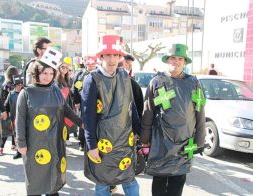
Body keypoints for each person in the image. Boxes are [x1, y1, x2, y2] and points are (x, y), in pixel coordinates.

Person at [140, 43, 206, 196]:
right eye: (173, 58)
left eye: (180, 59)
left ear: (184, 62)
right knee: (159, 184)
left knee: (177, 185)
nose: (176, 62)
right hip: (160, 142)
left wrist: (199, 141)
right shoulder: (156, 82)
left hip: (184, 143)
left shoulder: (194, 83)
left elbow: (200, 113)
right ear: (167, 60)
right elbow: (148, 111)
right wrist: (145, 139)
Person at [16, 47, 82, 196]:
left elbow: (67, 111)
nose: (48, 76)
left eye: (51, 73)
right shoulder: (26, 93)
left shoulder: (55, 90)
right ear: (37, 73)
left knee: (53, 176)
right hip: (34, 143)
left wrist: (82, 123)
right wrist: (21, 143)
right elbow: (19, 119)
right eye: (45, 73)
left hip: (55, 142)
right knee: (36, 178)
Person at [81, 35, 141, 196]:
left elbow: (131, 106)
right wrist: (91, 145)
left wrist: (139, 131)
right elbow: (88, 117)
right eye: (108, 55)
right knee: (102, 183)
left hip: (124, 140)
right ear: (101, 57)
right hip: (103, 142)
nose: (112, 59)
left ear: (120, 57)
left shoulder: (124, 76)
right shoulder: (92, 79)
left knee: (130, 180)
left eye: (115, 55)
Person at [72, 55, 97, 151]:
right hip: (83, 102)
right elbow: (74, 88)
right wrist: (77, 101)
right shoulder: (80, 74)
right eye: (89, 65)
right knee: (84, 122)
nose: (91, 67)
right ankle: (82, 142)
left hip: (96, 103)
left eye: (93, 65)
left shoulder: (99, 73)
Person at [0, 66, 19, 156]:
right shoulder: (14, 84)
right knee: (13, 128)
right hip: (12, 109)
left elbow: (1, 98)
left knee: (5, 130)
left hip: (3, 109)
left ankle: (2, 148)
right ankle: (9, 146)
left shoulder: (4, 84)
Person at [56, 58, 76, 145]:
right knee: (60, 121)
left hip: (68, 102)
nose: (64, 69)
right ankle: (60, 139)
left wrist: (73, 105)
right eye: (62, 67)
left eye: (66, 67)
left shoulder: (70, 80)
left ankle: (67, 137)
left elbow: (71, 93)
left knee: (68, 121)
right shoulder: (56, 80)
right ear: (59, 68)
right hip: (58, 103)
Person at [4, 74, 23, 159]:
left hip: (25, 118)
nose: (20, 86)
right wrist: (4, 112)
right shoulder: (11, 94)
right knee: (17, 135)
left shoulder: (25, 93)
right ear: (15, 85)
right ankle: (19, 152)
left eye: (21, 84)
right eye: (18, 85)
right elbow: (6, 105)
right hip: (15, 119)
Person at [118, 54, 143, 119]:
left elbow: (139, 109)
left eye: (130, 66)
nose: (127, 68)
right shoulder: (106, 83)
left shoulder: (134, 86)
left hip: (128, 125)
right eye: (125, 64)